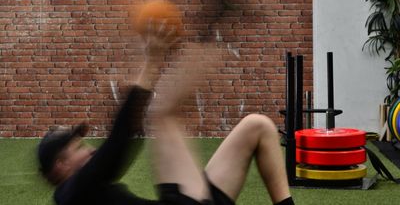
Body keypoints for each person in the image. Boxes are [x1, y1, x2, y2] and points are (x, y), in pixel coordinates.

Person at [37, 23, 295, 205]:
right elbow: (115, 149)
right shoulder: (71, 194)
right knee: (162, 114)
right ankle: (213, 22)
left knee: (257, 126)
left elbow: (119, 143)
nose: (89, 150)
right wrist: (151, 62)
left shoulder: (83, 191)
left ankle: (214, 22)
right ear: (60, 166)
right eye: (78, 147)